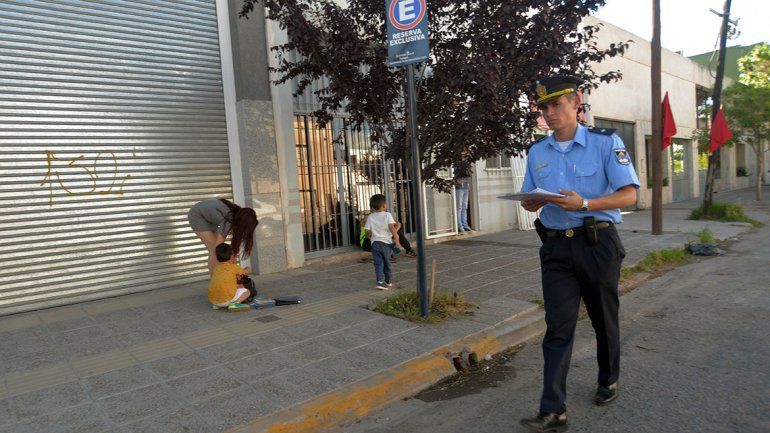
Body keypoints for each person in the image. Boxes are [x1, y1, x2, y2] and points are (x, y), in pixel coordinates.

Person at [518, 75, 640, 433]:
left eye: (556, 104)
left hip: (597, 243)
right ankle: (553, 409)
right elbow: (528, 200)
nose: (550, 113)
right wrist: (531, 200)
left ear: (576, 102)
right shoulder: (537, 151)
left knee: (603, 319)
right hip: (556, 246)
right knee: (557, 328)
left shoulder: (605, 143)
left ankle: (608, 378)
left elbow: (629, 194)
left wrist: (585, 202)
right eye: (544, 108)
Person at [187, 198, 258, 273]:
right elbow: (218, 248)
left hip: (209, 216)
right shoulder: (229, 220)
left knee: (225, 252)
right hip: (198, 215)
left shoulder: (238, 215)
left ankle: (228, 277)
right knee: (214, 251)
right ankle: (216, 280)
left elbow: (234, 249)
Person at [364, 194, 402, 290]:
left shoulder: (370, 217)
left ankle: (380, 281)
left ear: (372, 207)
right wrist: (397, 239)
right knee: (387, 262)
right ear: (384, 205)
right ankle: (388, 280)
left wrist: (370, 236)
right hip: (386, 244)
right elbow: (392, 229)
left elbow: (367, 232)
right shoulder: (387, 215)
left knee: (378, 263)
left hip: (375, 244)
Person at [208, 243, 254, 311]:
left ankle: (217, 306)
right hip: (227, 300)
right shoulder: (234, 267)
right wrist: (249, 269)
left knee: (233, 286)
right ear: (232, 256)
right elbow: (244, 273)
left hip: (213, 300)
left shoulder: (216, 269)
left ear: (217, 258)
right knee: (247, 292)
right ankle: (235, 304)